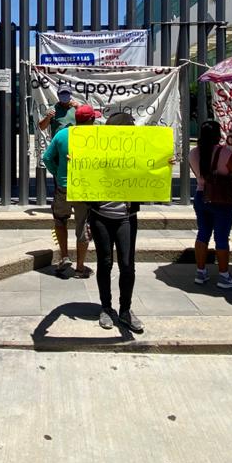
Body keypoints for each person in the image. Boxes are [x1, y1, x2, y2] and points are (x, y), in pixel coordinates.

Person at [87, 112, 144, 333]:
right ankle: (106, 307)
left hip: (126, 218)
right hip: (100, 215)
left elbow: (149, 175)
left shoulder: (137, 153)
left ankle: (125, 309)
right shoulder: (96, 152)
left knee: (128, 265)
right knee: (105, 263)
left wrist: (163, 164)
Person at [41, 104, 99, 278]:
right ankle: (80, 268)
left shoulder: (62, 134)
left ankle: (64, 256)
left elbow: (47, 158)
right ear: (91, 120)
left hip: (63, 187)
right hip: (84, 188)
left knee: (60, 220)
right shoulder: (97, 139)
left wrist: (58, 174)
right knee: (83, 226)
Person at [188, 120, 232, 290]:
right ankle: (224, 275)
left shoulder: (193, 153)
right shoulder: (224, 153)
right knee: (221, 237)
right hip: (222, 199)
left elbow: (198, 174)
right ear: (218, 135)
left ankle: (201, 271)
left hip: (200, 195)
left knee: (203, 232)